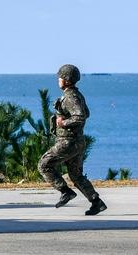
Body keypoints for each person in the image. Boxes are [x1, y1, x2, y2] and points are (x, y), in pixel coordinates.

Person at [38, 64, 107, 215]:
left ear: (67, 80)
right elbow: (86, 113)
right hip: (77, 141)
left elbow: (80, 117)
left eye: (60, 78)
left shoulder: (70, 96)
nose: (58, 80)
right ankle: (97, 202)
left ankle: (65, 191)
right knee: (75, 175)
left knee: (44, 164)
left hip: (68, 141)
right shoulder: (76, 94)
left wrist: (63, 122)